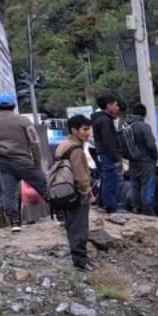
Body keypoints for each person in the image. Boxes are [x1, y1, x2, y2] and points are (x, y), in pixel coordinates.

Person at [0, 92, 48, 232]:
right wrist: (37, 163)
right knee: (43, 186)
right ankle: (60, 214)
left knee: (8, 193)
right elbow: (34, 142)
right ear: (14, 105)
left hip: (3, 163)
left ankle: (15, 223)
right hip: (24, 160)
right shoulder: (23, 121)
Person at [53, 114, 94, 271]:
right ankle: (81, 262)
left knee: (71, 227)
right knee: (80, 228)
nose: (87, 132)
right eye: (84, 129)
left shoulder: (62, 145)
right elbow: (81, 176)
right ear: (74, 130)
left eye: (88, 129)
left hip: (63, 192)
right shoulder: (76, 149)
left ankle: (79, 258)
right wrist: (85, 192)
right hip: (77, 195)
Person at [90, 95, 125, 221]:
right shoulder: (105, 121)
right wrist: (115, 158)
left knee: (106, 180)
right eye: (115, 105)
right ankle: (112, 210)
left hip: (102, 154)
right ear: (108, 105)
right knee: (111, 181)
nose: (117, 107)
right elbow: (109, 142)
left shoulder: (99, 119)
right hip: (107, 155)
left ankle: (103, 204)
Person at [125, 103, 158, 214]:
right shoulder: (144, 126)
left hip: (133, 162)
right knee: (147, 186)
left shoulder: (127, 126)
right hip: (146, 162)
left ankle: (137, 207)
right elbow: (151, 145)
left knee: (135, 186)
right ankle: (147, 210)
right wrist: (155, 157)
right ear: (144, 114)